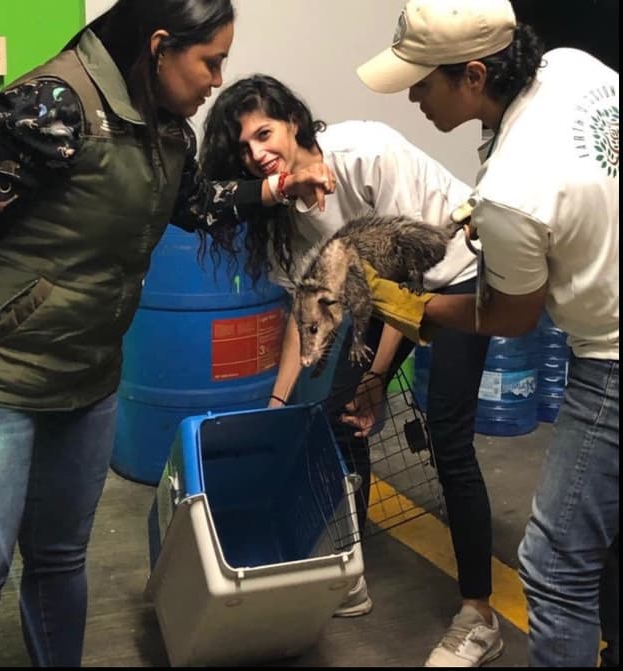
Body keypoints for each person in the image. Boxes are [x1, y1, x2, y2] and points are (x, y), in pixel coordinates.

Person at [0, 0, 335, 667]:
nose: (217, 79)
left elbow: (196, 206)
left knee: (57, 557)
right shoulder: (53, 105)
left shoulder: (164, 131)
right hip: (5, 380)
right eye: (210, 61)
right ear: (160, 44)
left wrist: (275, 185)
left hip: (89, 378)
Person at [357, 0, 619, 667]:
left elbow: (512, 313)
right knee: (609, 539)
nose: (414, 99)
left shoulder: (513, 190)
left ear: (474, 75)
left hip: (612, 360)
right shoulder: (572, 67)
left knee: (555, 566)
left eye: (423, 84)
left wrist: (409, 307)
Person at [200, 73, 501, 664]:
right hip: (385, 292)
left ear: (293, 121)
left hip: (460, 272)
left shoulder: (366, 154)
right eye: (242, 149)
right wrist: (278, 404)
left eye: (264, 134)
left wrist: (375, 381)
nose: (257, 154)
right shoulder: (283, 206)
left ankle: (479, 616)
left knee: (447, 434)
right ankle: (350, 573)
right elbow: (310, 309)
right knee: (339, 416)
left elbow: (408, 281)